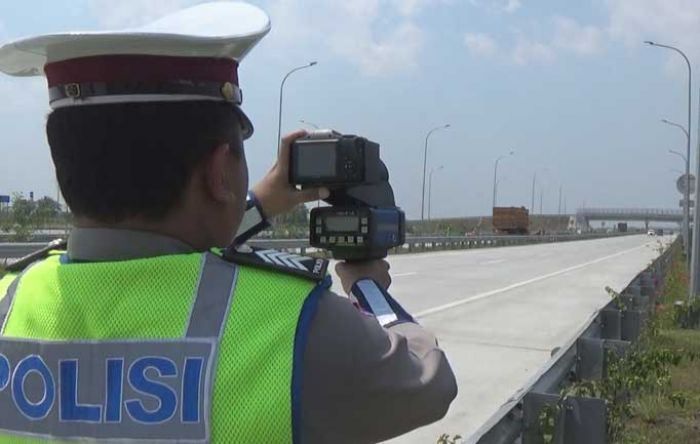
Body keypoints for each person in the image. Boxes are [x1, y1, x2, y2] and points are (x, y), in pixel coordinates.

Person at [0, 3, 456, 443]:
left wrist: (260, 202)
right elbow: (428, 380)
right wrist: (367, 285)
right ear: (221, 171)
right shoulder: (295, 328)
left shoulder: (9, 303)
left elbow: (158, 244)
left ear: (65, 166)